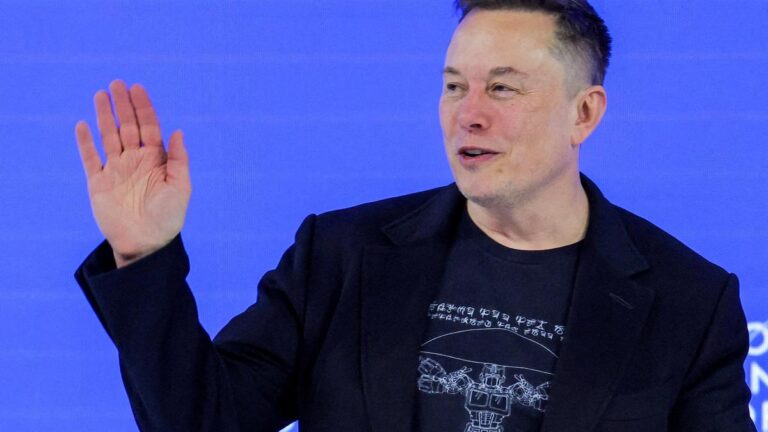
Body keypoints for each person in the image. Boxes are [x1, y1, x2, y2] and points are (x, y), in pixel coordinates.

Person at [73, 1, 756, 431]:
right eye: (454, 86)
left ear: (584, 113)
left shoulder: (689, 302)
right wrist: (143, 257)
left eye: (503, 88)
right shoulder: (340, 255)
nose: (469, 114)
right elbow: (203, 420)